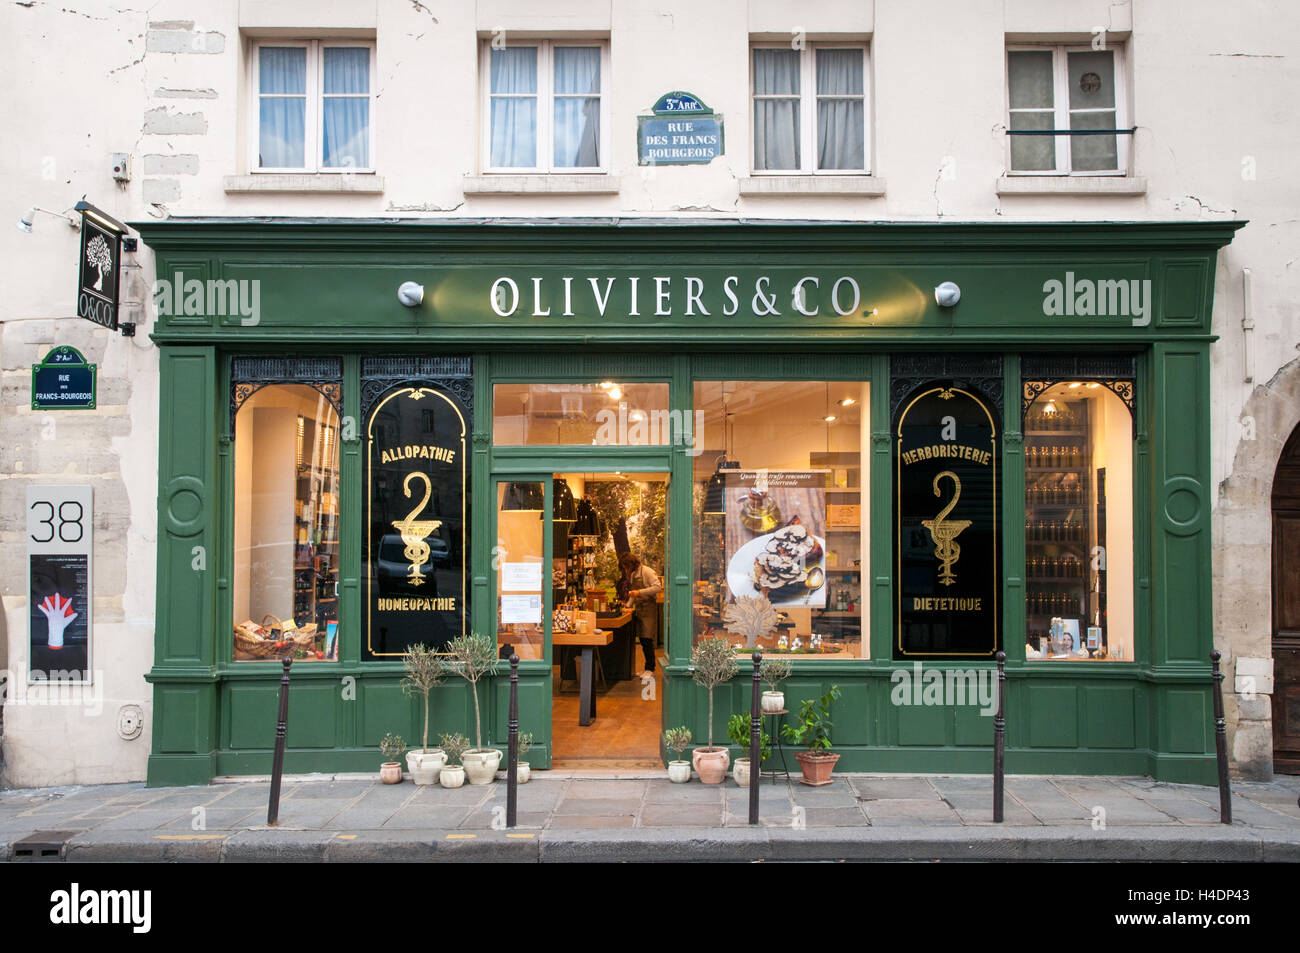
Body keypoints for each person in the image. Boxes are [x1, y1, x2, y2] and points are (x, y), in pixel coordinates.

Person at [619, 552, 662, 678]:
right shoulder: (633, 575)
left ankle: (651, 668)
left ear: (632, 564)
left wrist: (639, 592)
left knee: (647, 639)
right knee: (642, 640)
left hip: (649, 609)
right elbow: (634, 594)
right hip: (639, 609)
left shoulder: (647, 572)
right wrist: (627, 605)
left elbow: (657, 587)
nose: (626, 570)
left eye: (626, 567)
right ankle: (646, 668)